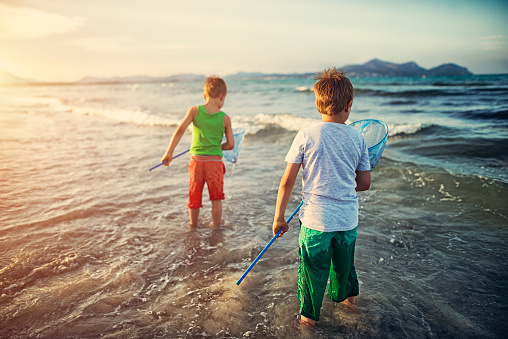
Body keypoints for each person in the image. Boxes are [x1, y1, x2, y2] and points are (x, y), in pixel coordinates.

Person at [272, 68, 371, 327]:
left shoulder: (306, 134)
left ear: (318, 105)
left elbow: (287, 181)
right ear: (349, 105)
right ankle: (353, 316)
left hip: (316, 221)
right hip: (347, 221)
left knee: (312, 275)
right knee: (345, 270)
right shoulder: (358, 138)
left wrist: (280, 218)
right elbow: (364, 184)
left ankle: (308, 324)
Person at [161, 76, 234, 227]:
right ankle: (216, 227)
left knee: (194, 196)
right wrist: (216, 147)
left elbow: (180, 130)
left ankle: (193, 226)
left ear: (204, 96)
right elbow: (231, 145)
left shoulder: (194, 111)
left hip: (196, 162)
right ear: (223, 96)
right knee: (216, 198)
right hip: (215, 164)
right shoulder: (225, 118)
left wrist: (169, 152)